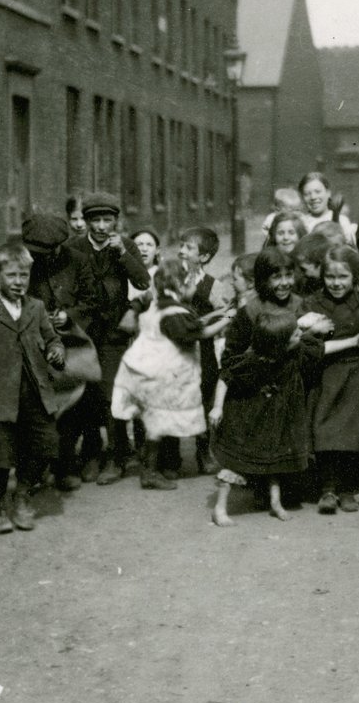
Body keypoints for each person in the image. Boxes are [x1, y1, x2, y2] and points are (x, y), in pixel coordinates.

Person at [0, 241, 66, 534]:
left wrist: (57, 351)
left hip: (34, 392)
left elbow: (53, 338)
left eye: (23, 276)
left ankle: (22, 495)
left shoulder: (36, 307)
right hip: (0, 397)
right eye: (11, 276)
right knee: (2, 456)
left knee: (46, 446)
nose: (18, 283)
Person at [65, 192, 151, 485]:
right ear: (86, 221)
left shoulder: (124, 245)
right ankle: (92, 451)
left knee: (111, 391)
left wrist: (123, 255)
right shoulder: (74, 246)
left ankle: (117, 456)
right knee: (87, 391)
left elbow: (142, 282)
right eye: (95, 220)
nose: (101, 226)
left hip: (114, 330)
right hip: (84, 330)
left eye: (107, 220)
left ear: (116, 221)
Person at [208, 310, 323, 526]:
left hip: (276, 418)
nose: (301, 334)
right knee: (236, 461)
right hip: (247, 418)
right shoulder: (253, 360)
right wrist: (217, 407)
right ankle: (220, 508)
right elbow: (226, 377)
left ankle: (275, 502)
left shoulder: (294, 351)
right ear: (278, 345)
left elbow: (312, 345)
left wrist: (312, 330)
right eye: (295, 334)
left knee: (274, 459)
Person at [111, 257, 208, 491]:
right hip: (160, 374)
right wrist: (227, 317)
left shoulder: (158, 302)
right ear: (181, 285)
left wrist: (219, 313)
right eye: (193, 282)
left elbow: (195, 324)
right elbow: (199, 333)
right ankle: (150, 471)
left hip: (145, 369)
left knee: (155, 423)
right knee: (158, 423)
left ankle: (152, 468)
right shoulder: (175, 312)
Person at [20, 212, 98, 492]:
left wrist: (69, 316)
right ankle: (36, 468)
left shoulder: (77, 261)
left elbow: (91, 301)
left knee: (70, 408)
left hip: (72, 345)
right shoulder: (23, 264)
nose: (40, 257)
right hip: (33, 344)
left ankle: (66, 464)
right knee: (37, 409)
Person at [303, 244, 359, 514]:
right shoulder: (313, 303)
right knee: (325, 432)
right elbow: (307, 341)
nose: (336, 283)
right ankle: (327, 490)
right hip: (326, 374)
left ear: (355, 277)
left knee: (351, 436)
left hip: (356, 373)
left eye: (343, 277)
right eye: (330, 277)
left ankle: (347, 489)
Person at [175, 226, 233, 476]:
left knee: (203, 396)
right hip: (175, 348)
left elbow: (224, 313)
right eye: (181, 246)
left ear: (204, 257)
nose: (181, 251)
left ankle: (203, 450)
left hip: (202, 349)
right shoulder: (173, 278)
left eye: (188, 248)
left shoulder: (213, 285)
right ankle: (171, 454)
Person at [297, 172, 356, 244]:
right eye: (307, 194)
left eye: (318, 192)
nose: (313, 197)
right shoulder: (301, 222)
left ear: (328, 193)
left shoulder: (342, 220)